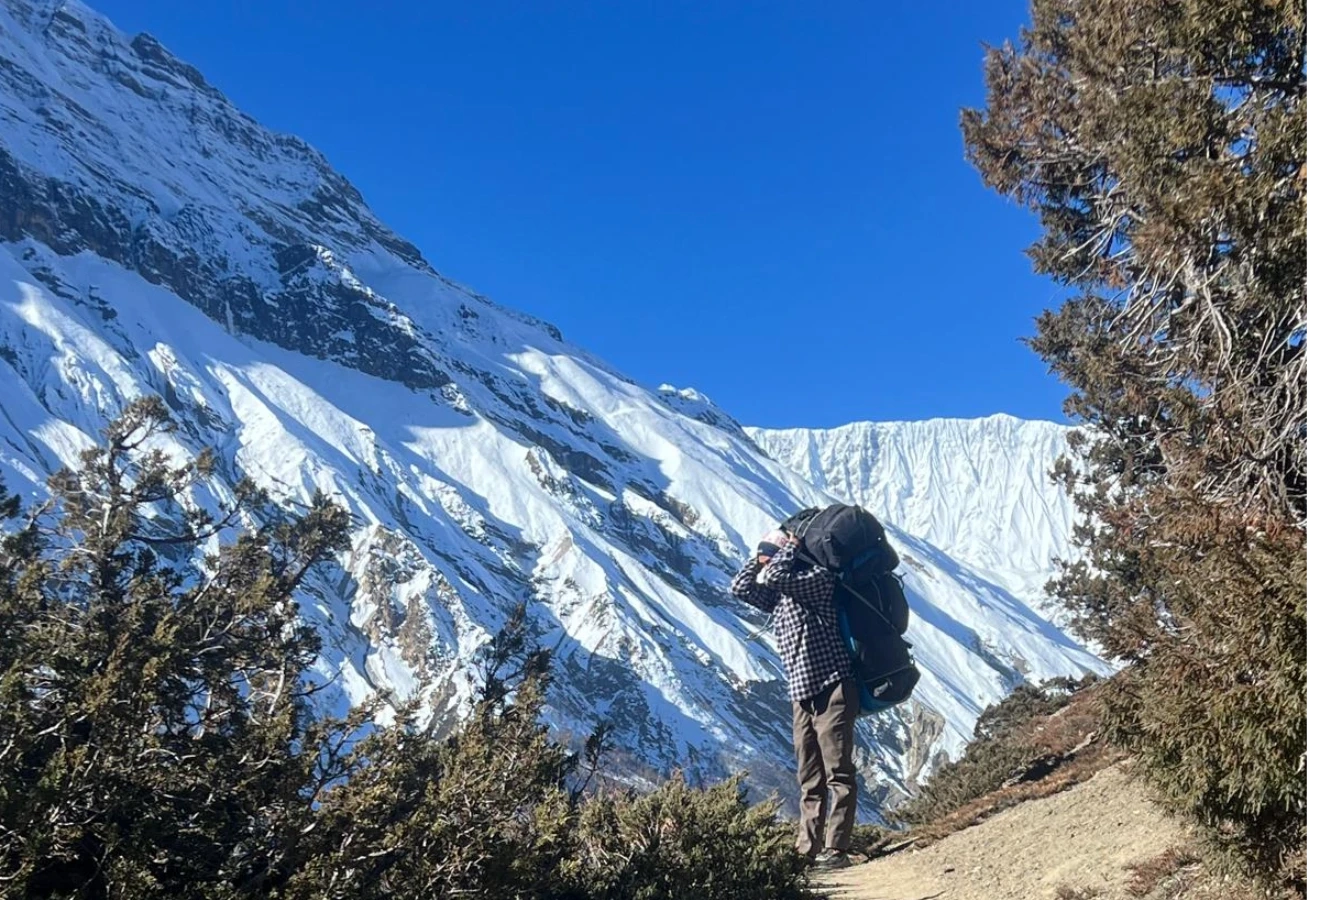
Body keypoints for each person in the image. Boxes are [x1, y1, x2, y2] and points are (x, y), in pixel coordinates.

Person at [730, 528, 858, 870]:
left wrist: (785, 549)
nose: (767, 563)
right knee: (809, 777)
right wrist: (758, 553)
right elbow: (740, 587)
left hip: (833, 687)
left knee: (839, 773)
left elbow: (775, 574)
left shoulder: (817, 580)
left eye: (774, 554)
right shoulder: (780, 596)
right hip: (801, 695)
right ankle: (806, 850)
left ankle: (837, 849)